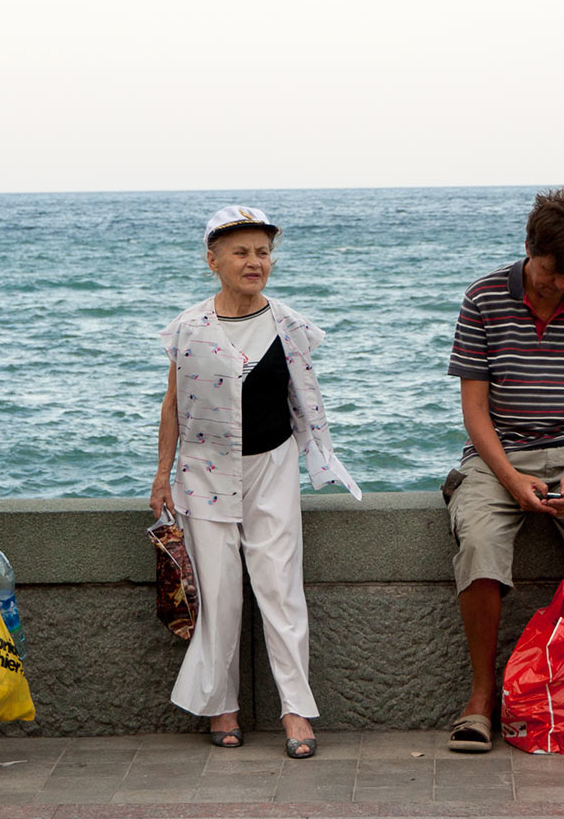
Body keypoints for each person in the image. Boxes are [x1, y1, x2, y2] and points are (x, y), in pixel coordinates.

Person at [151, 206, 360, 759]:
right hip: (204, 470)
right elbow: (173, 405)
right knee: (217, 595)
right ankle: (222, 706)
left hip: (273, 465)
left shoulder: (289, 325)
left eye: (262, 251)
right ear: (213, 259)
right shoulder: (189, 328)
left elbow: (303, 403)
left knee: (280, 589)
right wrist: (160, 476)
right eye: (240, 252)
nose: (253, 262)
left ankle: (296, 711)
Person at [442, 189, 564, 755]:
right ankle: (481, 697)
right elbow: (474, 410)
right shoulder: (482, 298)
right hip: (498, 454)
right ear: (529, 250)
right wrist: (509, 478)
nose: (563, 286)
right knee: (478, 541)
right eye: (553, 272)